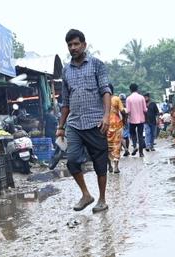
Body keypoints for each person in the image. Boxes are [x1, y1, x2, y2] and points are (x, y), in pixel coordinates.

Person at [57, 28, 113, 212]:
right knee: (72, 161)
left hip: (95, 122)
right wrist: (61, 126)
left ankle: (102, 199)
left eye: (76, 44)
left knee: (99, 162)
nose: (73, 47)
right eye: (70, 45)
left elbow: (105, 90)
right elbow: (65, 101)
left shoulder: (97, 65)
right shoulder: (66, 70)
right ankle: (86, 194)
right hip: (74, 123)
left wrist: (106, 116)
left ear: (83, 45)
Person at [106, 91, 125, 174]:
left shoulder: (102, 100)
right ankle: (116, 167)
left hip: (105, 125)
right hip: (117, 124)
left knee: (107, 146)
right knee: (116, 145)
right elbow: (122, 110)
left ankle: (109, 166)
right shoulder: (116, 99)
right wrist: (125, 118)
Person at [124, 84, 147, 157]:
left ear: (130, 90)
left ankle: (134, 146)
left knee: (133, 134)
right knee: (140, 135)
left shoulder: (128, 99)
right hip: (141, 120)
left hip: (132, 120)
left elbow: (128, 111)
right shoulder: (141, 97)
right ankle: (141, 152)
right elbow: (145, 110)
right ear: (137, 89)